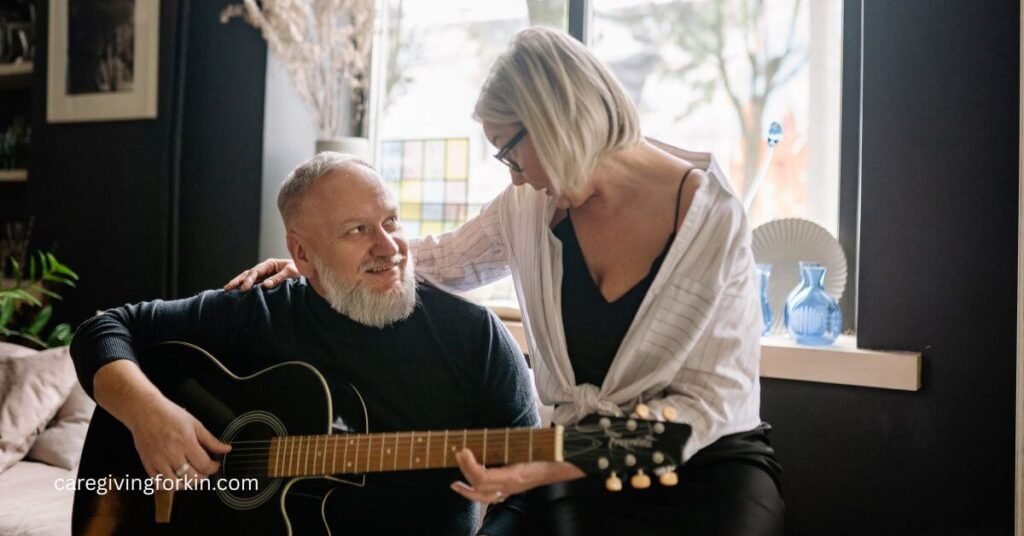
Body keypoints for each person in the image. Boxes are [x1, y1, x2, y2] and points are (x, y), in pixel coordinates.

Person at [227, 27, 784, 535]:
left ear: (555, 122)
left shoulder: (713, 217)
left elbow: (712, 403)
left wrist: (555, 464)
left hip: (709, 462)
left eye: (509, 152)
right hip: (570, 462)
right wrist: (321, 266)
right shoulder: (526, 206)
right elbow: (441, 259)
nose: (513, 176)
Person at [70, 153, 540, 535]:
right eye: (357, 230)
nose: (389, 246)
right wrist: (148, 415)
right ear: (301, 254)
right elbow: (104, 329)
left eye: (391, 220)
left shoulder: (474, 337)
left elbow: (529, 488)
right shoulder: (261, 311)